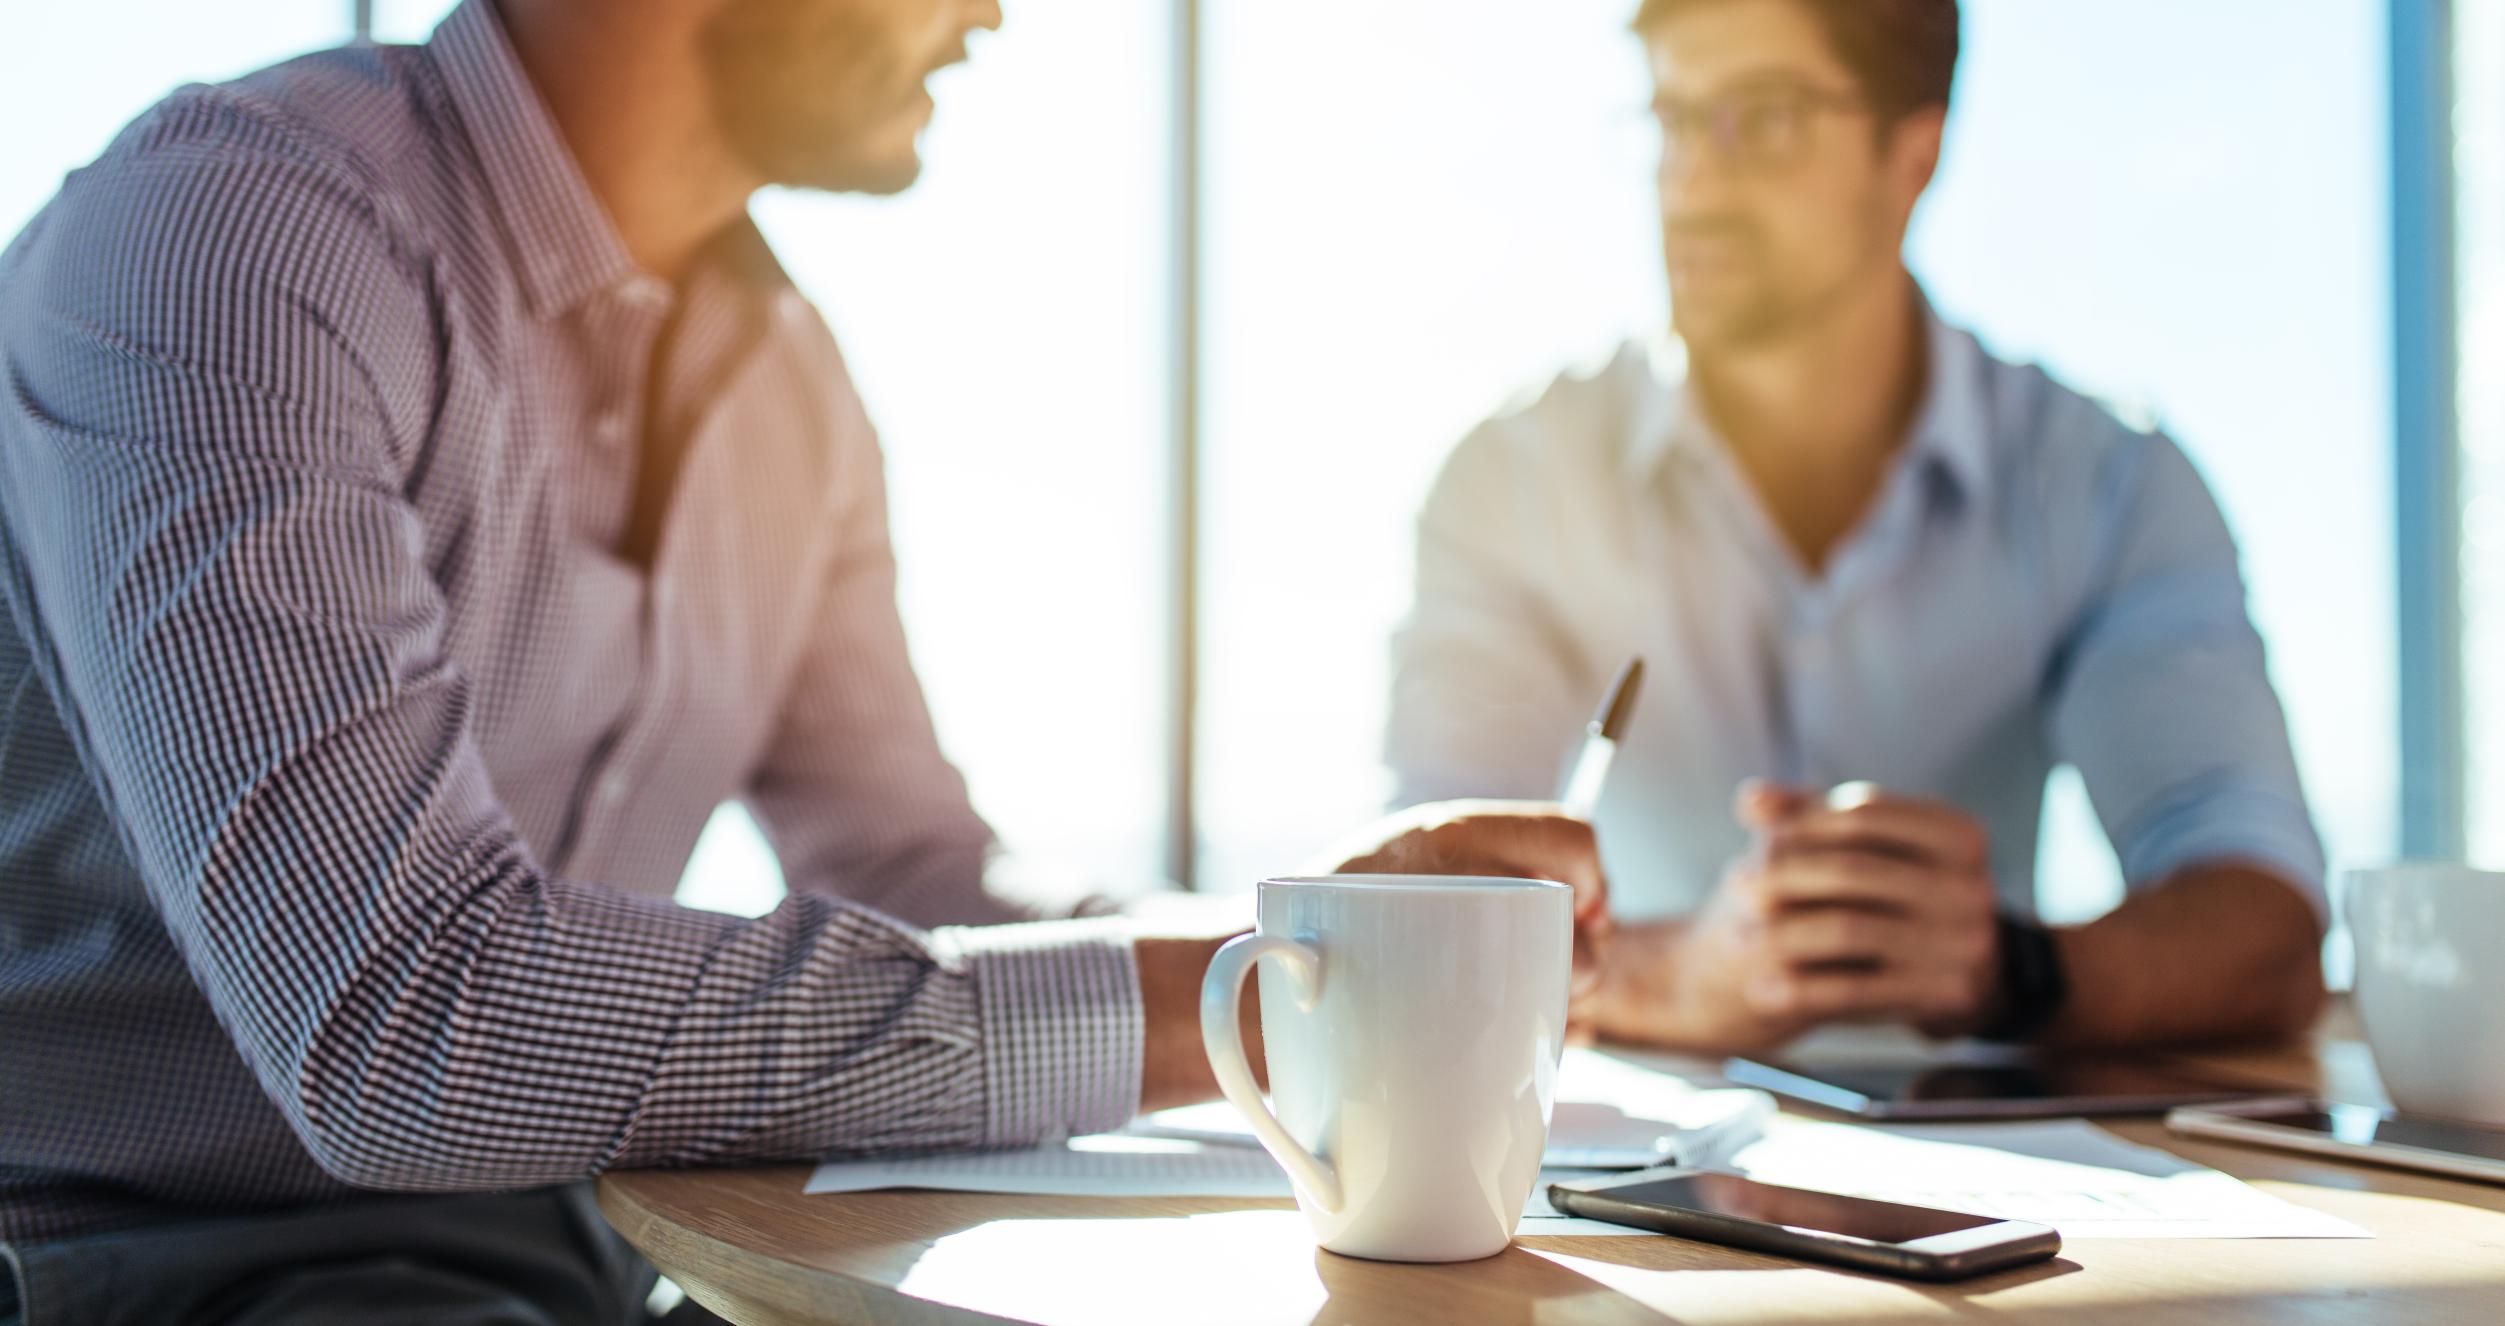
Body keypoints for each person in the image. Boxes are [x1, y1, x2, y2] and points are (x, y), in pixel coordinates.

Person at [0, 1, 1607, 1321]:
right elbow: (407, 1023)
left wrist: (1311, 939)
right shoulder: (232, 239)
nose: (992, 12)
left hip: (588, 1244)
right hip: (136, 1259)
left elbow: (917, 878)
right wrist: (1252, 1008)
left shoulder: (788, 386)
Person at [1388, 0, 2326, 1057]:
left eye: (1768, 116)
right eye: (1673, 119)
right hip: (1614, 1174)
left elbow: (2270, 925)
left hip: (2005, 1181)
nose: (1693, 179)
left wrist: (2011, 968)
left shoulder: (2107, 486)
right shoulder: (1513, 485)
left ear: (1914, 152)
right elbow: (1413, 917)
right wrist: (1673, 980)